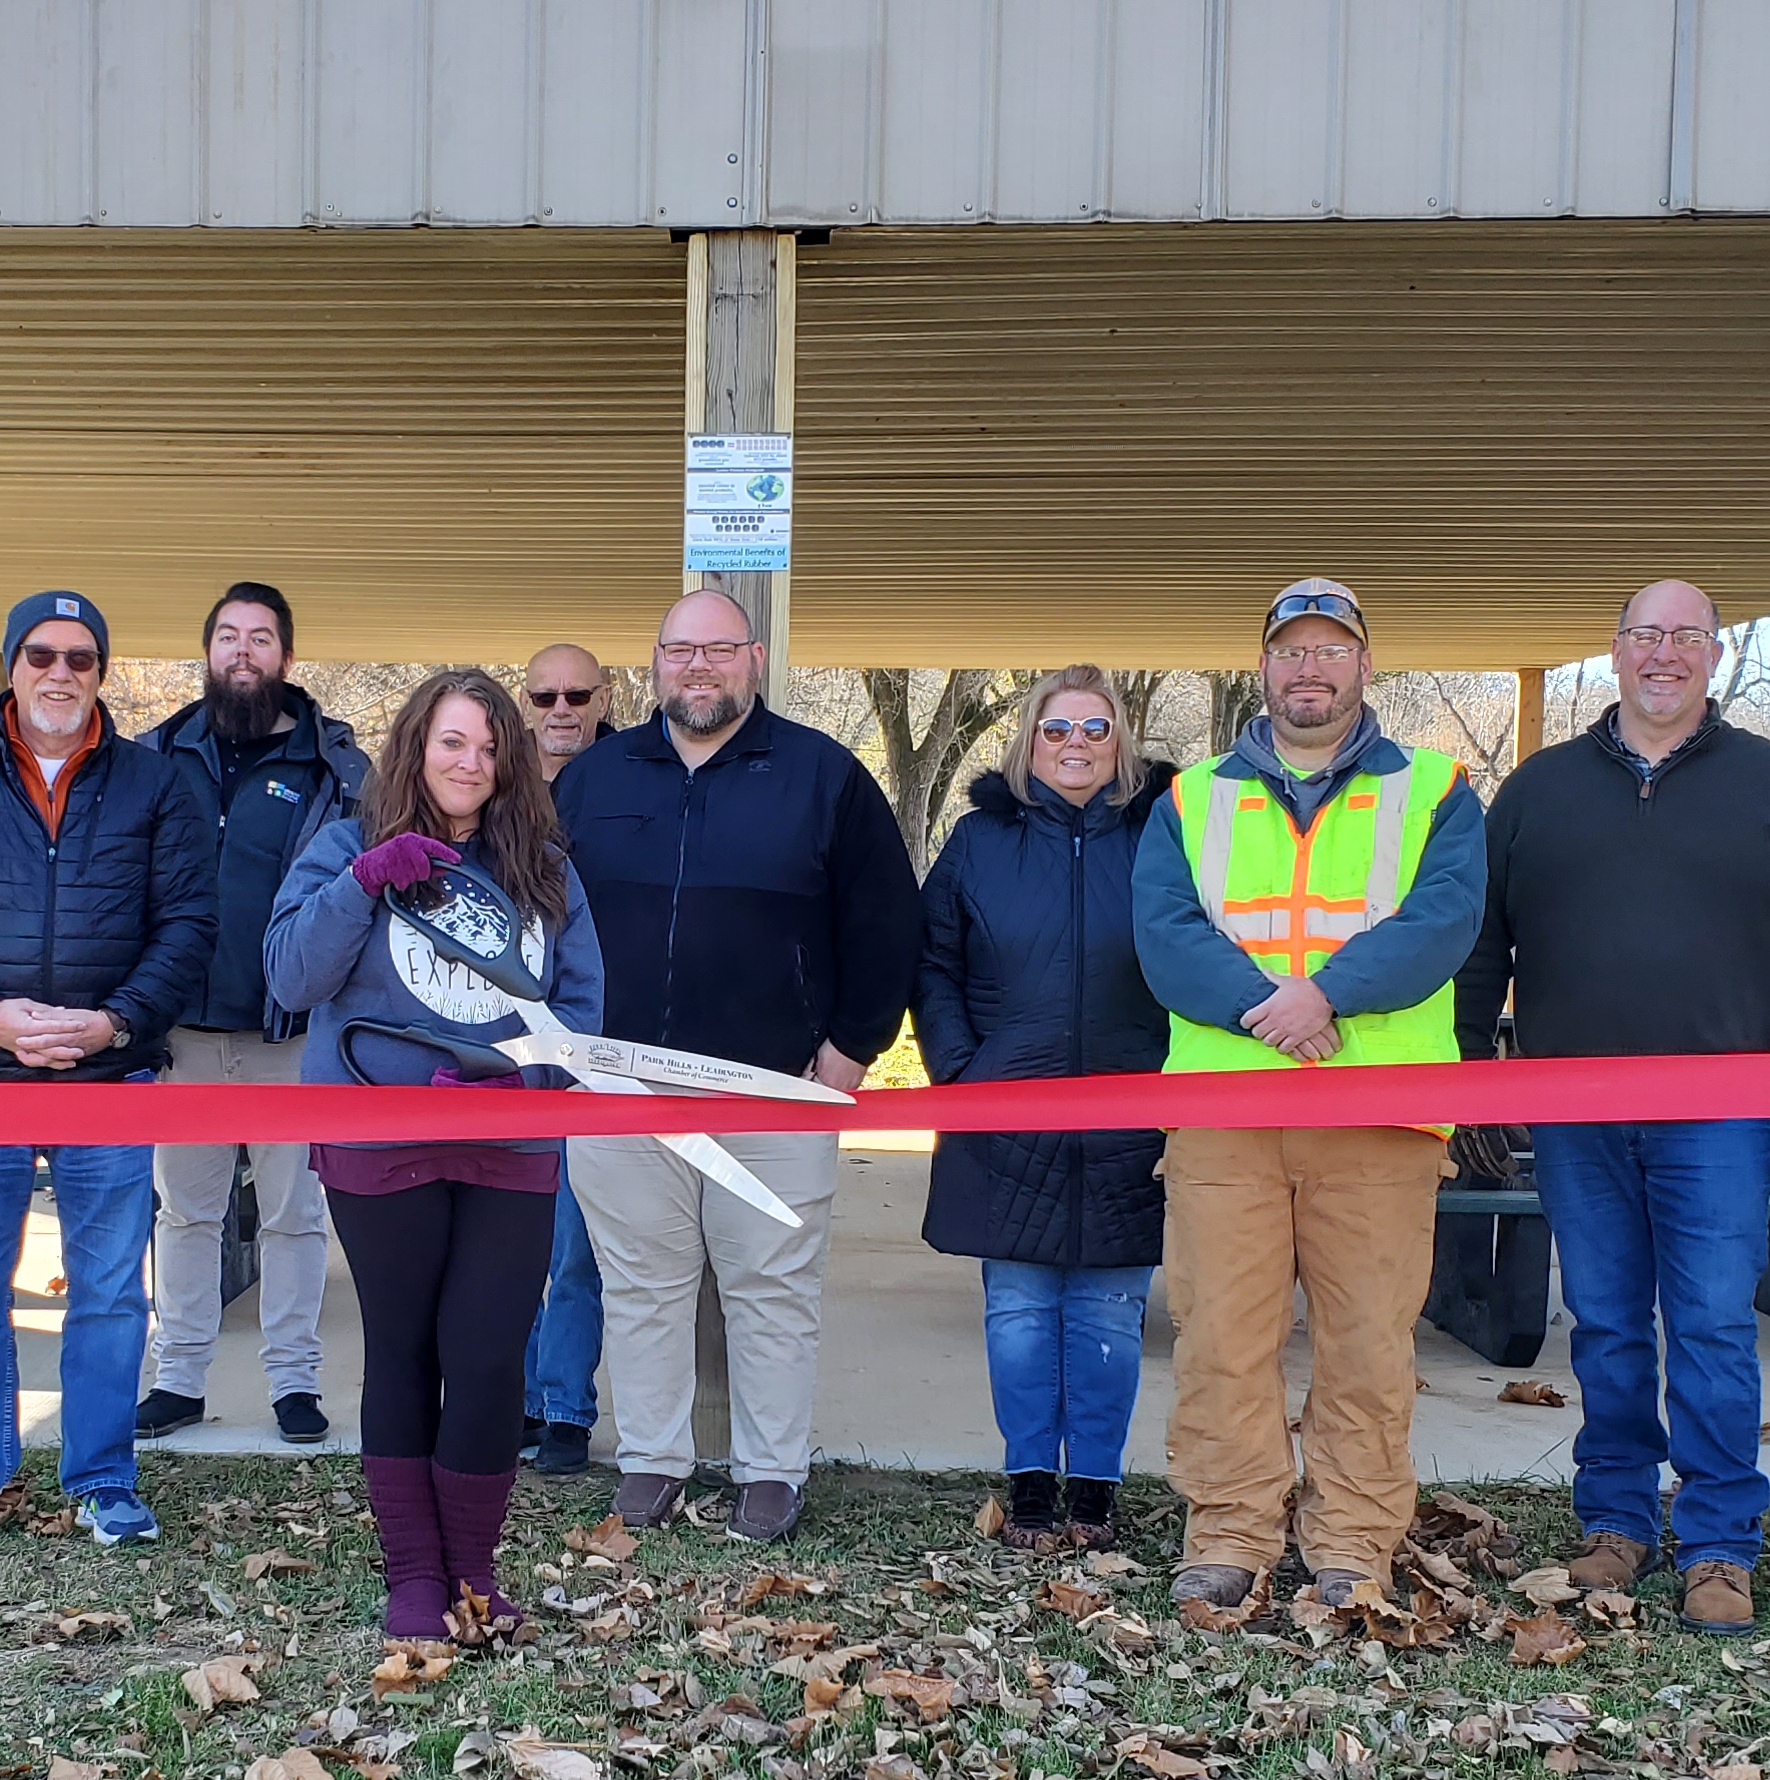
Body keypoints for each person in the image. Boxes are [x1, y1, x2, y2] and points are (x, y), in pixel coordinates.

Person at [1453, 577, 1770, 1635]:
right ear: (1615, 651)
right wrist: (1472, 1071)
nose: (1664, 654)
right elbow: (1480, 940)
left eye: (1686, 636)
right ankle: (1615, 1522)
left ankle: (1721, 1543)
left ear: (1715, 656)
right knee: (1603, 1323)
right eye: (1646, 634)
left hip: (1719, 1114)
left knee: (1709, 1325)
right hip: (1572, 1110)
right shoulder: (1541, 789)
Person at [1136, 586, 1486, 1609]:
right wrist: (1272, 1011)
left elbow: (1442, 922)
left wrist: (1327, 996)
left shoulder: (1437, 789)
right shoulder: (1189, 797)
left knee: (1369, 1342)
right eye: (1291, 652)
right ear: (1264, 668)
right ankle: (1230, 1531)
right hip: (1225, 1115)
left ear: (1364, 668)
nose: (1310, 670)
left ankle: (1352, 1544)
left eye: (1332, 650)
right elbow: (1165, 934)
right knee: (1221, 1336)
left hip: (1377, 1112)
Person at [555, 586, 922, 1544]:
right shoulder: (594, 780)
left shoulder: (824, 776)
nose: (700, 668)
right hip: (617, 1090)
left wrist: (851, 1048)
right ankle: (653, 1466)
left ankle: (770, 1473)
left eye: (720, 650)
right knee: (641, 1288)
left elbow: (887, 924)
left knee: (771, 1290)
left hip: (774, 1088)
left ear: (754, 659)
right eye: (682, 650)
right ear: (656, 662)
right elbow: (537, 916)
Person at [0, 590, 214, 1550]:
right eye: (40, 656)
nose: (60, 674)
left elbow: (188, 923)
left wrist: (114, 1023)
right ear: (10, 669)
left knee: (110, 1289)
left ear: (101, 672)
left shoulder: (155, 784)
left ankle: (104, 1476)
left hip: (112, 1074)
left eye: (80, 659)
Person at [266, 674, 607, 1636]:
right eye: (453, 743)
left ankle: (474, 1571)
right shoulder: (343, 844)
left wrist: (527, 1080)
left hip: (509, 1139)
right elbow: (292, 976)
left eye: (492, 748)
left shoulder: (543, 867)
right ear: (416, 746)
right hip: (382, 1139)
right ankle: (414, 1574)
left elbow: (581, 1014)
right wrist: (364, 881)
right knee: (404, 1349)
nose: (471, 764)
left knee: (492, 1356)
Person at [917, 670, 1172, 1551]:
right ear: (1029, 741)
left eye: (1096, 727)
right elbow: (932, 961)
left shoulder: (1166, 835)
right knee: (1019, 1310)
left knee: (1109, 1311)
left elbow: (1205, 950)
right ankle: (1030, 1485)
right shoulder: (979, 842)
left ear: (1121, 742)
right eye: (1056, 728)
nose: (1076, 743)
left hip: (1132, 1109)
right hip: (1006, 1109)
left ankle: (1095, 1490)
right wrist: (961, 1067)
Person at [137, 582, 364, 1446]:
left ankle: (294, 1385)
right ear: (206, 653)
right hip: (181, 1039)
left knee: (294, 1218)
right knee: (185, 1216)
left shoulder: (336, 772)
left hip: (290, 1040)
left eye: (260, 639)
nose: (243, 652)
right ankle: (179, 1378)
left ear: (287, 659)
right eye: (227, 636)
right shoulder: (154, 756)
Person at [515, 642, 614, 1476]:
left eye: (577, 694)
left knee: (576, 1248)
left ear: (605, 698)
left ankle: (565, 1412)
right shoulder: (495, 799)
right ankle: (510, 1399)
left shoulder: (632, 786)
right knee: (508, 1244)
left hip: (597, 1052)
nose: (560, 709)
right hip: (504, 1058)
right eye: (543, 695)